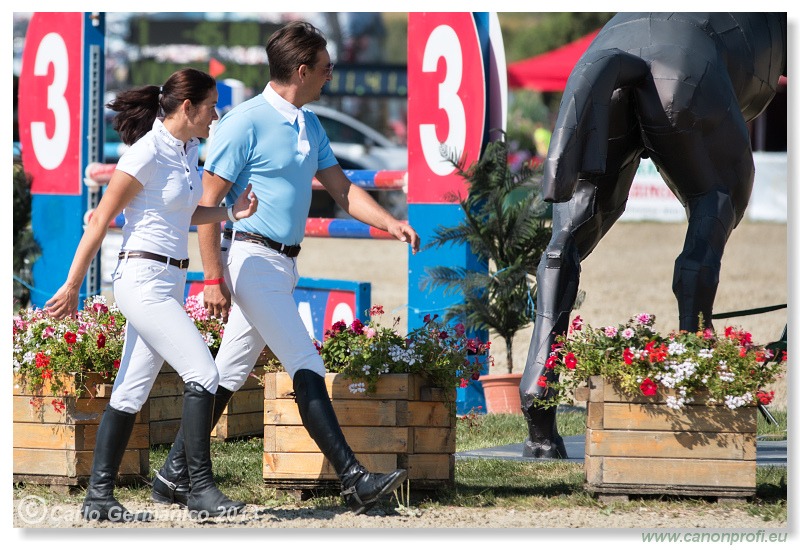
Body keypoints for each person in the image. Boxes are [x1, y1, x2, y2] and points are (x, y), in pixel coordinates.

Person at [152, 21, 419, 515]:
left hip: (283, 265)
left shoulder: (309, 122)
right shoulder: (242, 123)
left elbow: (342, 190)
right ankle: (355, 480)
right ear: (301, 70)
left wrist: (391, 223)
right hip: (252, 260)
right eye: (324, 68)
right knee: (305, 361)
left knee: (227, 373)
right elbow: (208, 207)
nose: (330, 76)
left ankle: (172, 474)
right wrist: (213, 278)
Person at [45, 68, 258, 522]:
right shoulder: (145, 154)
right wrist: (72, 284)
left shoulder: (188, 149)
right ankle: (198, 487)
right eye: (211, 106)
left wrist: (229, 210)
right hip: (141, 280)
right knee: (203, 373)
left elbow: (187, 212)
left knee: (131, 390)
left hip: (169, 281)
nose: (215, 115)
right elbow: (100, 220)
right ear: (188, 108)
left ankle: (98, 497)